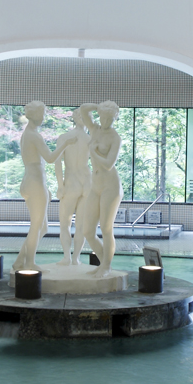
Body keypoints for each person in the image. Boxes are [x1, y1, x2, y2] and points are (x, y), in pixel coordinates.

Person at [13, 101, 66, 273]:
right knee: (36, 226)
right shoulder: (34, 135)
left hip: (32, 182)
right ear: (35, 115)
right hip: (35, 183)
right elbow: (50, 158)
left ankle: (19, 261)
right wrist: (65, 145)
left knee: (43, 227)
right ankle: (29, 263)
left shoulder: (27, 134)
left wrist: (45, 188)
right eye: (42, 114)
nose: (43, 118)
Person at [80, 100, 124, 276]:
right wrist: (99, 106)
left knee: (106, 228)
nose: (105, 121)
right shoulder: (95, 129)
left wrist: (93, 152)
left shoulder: (115, 138)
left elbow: (108, 164)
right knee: (88, 231)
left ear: (115, 118)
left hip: (110, 186)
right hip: (96, 185)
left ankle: (106, 266)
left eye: (109, 118)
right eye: (103, 117)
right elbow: (83, 109)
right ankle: (104, 262)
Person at [53, 106, 93, 265]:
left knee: (65, 224)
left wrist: (60, 185)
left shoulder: (64, 137)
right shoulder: (90, 139)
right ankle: (75, 258)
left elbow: (57, 163)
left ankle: (67, 257)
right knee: (81, 225)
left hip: (71, 182)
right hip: (87, 182)